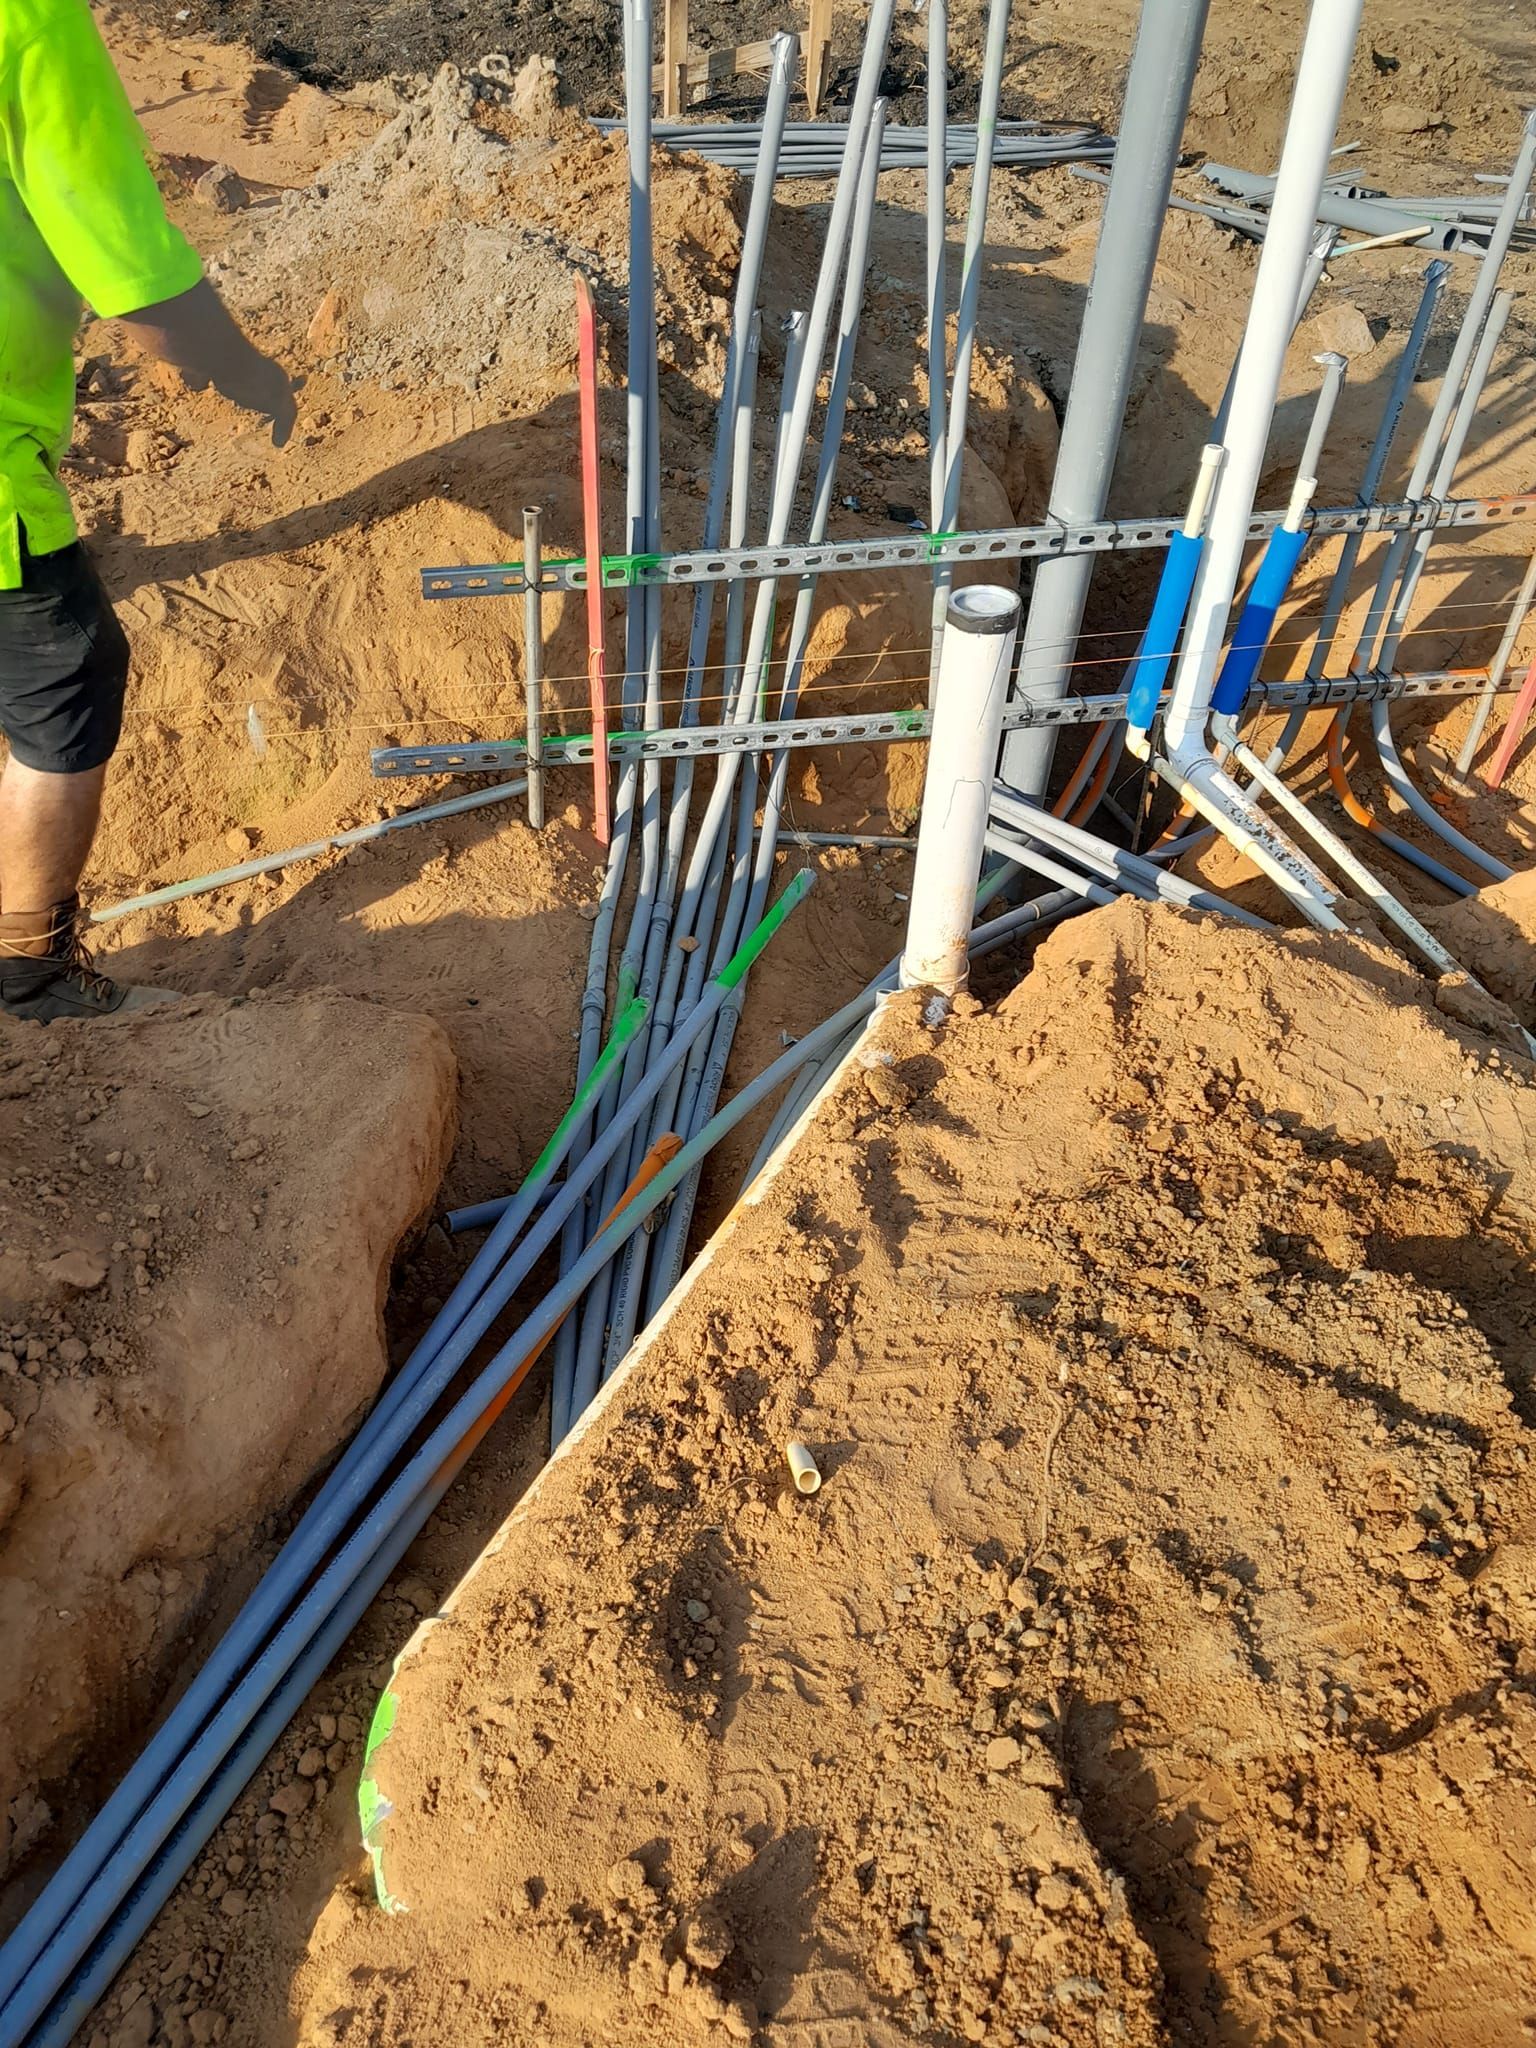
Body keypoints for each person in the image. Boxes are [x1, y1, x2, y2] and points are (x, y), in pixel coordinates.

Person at [0, 0, 295, 1022]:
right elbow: (134, 280)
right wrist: (247, 372)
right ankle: (28, 972)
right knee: (66, 677)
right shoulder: (26, 21)